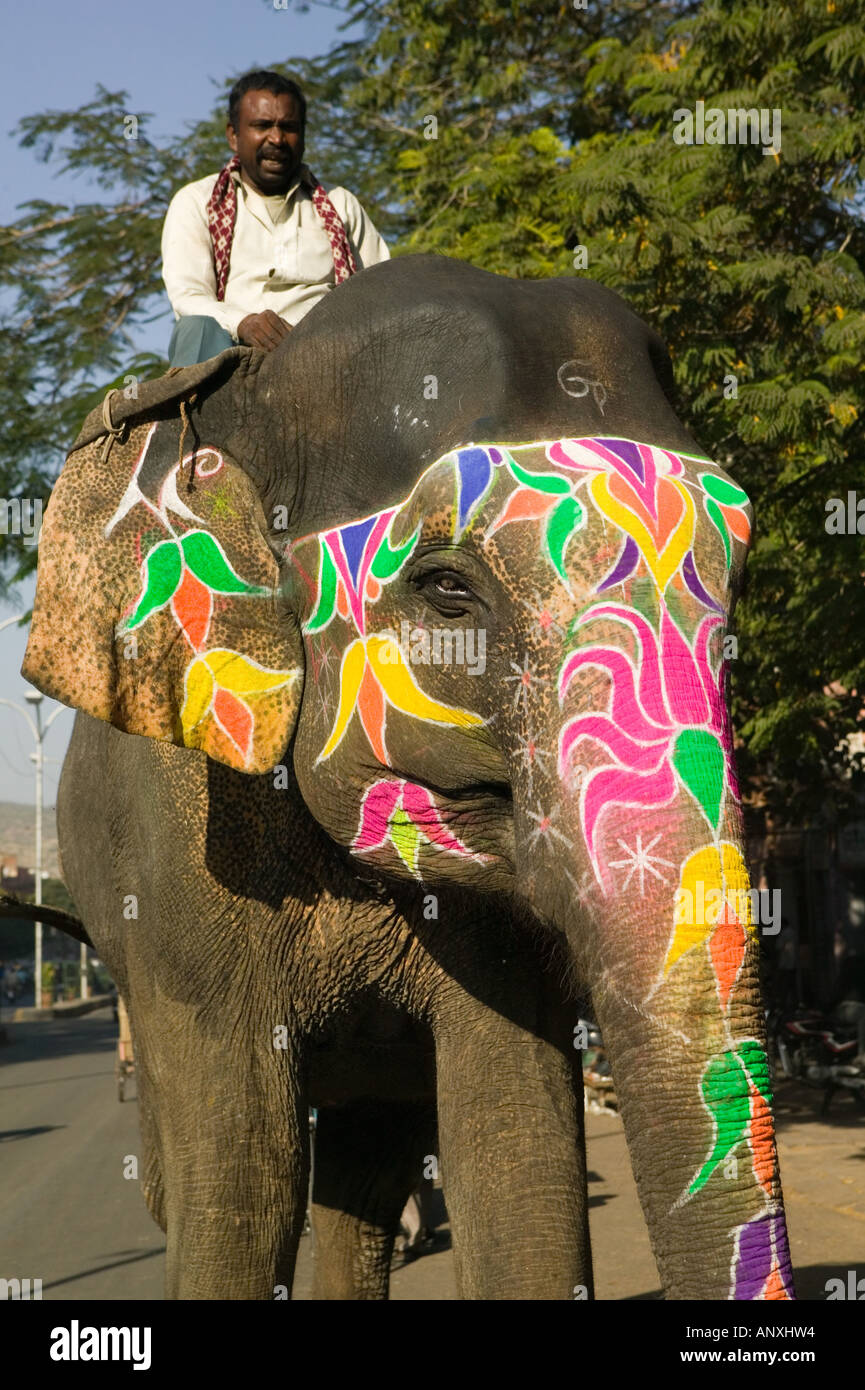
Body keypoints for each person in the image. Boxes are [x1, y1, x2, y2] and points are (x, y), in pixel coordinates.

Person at [161, 69, 390, 365]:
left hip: (325, 355)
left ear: (304, 135)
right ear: (234, 135)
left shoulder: (340, 204)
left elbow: (382, 292)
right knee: (197, 328)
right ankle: (192, 411)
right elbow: (188, 298)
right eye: (262, 125)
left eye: (289, 127)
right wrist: (245, 323)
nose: (277, 139)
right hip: (230, 351)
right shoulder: (197, 202)